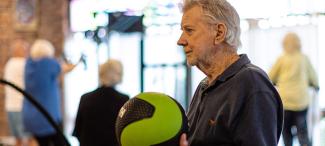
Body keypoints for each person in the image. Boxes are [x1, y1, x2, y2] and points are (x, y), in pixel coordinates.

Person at [177, 0, 283, 145]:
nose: (181, 40)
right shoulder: (205, 86)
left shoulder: (251, 83)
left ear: (219, 33)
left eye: (189, 30)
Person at [22, 39, 77, 146]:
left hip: (31, 117)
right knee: (61, 143)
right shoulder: (49, 64)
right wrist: (77, 63)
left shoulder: (28, 64)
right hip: (48, 117)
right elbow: (66, 68)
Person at [268, 32, 319, 146]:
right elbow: (314, 77)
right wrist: (315, 85)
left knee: (286, 133)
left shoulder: (281, 59)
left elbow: (270, 77)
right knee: (303, 133)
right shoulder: (304, 58)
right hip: (301, 102)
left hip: (285, 103)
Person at [72, 59, 129, 146]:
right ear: (119, 74)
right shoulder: (123, 100)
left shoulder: (85, 98)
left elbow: (77, 131)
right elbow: (126, 133)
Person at [4, 39, 29, 146]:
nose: (27, 51)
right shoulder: (24, 64)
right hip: (21, 106)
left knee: (17, 139)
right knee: (28, 139)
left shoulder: (9, 63)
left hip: (10, 106)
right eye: (25, 49)